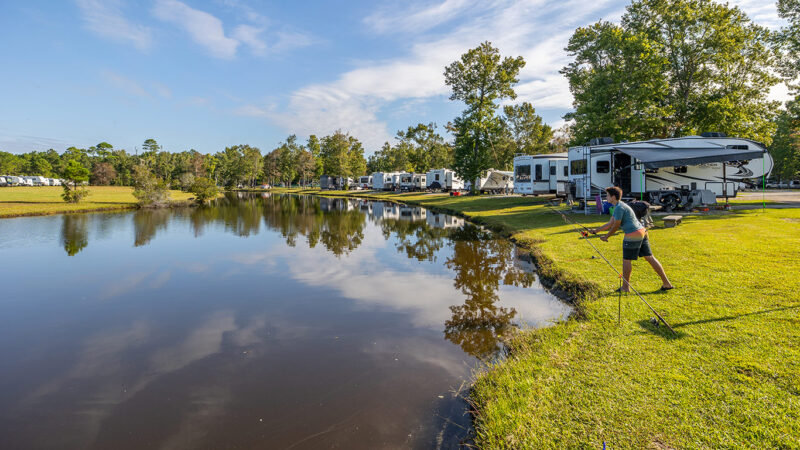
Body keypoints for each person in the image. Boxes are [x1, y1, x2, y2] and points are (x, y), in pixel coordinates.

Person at [590, 186, 674, 292]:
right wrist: (595, 231)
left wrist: (607, 236)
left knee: (626, 260)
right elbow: (610, 223)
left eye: (607, 195)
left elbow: (615, 226)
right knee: (650, 257)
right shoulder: (619, 206)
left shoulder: (619, 208)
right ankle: (667, 283)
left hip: (633, 234)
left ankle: (625, 287)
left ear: (613, 197)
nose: (606, 197)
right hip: (642, 232)